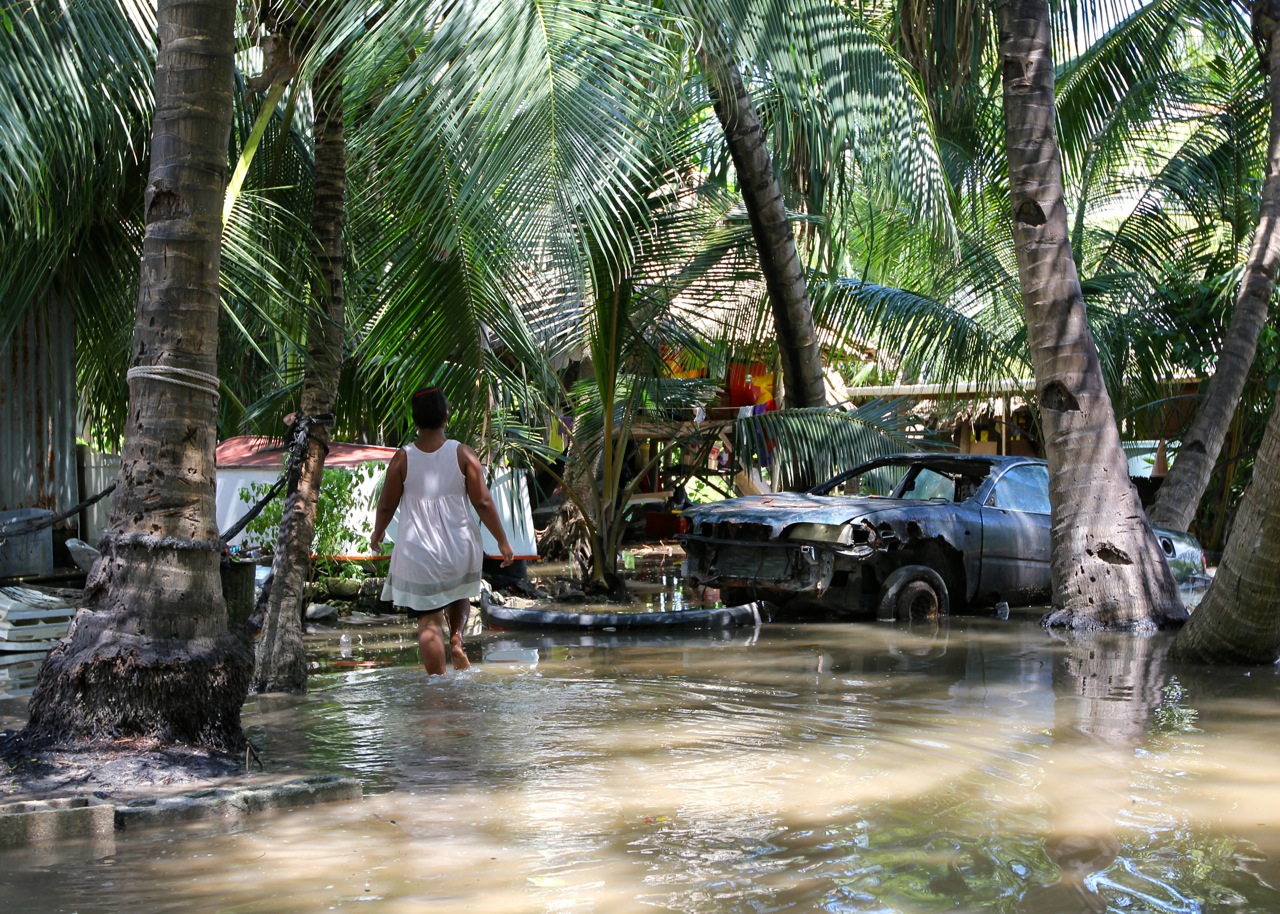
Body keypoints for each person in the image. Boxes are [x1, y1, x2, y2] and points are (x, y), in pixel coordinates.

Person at [370, 387, 514, 674]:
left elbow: (386, 505)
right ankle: (457, 640)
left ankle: (437, 687)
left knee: (428, 621)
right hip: (459, 546)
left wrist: (378, 533)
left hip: (419, 550)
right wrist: (502, 541)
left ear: (415, 420)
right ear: (446, 416)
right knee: (458, 590)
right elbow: (483, 502)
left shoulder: (403, 458)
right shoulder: (463, 454)